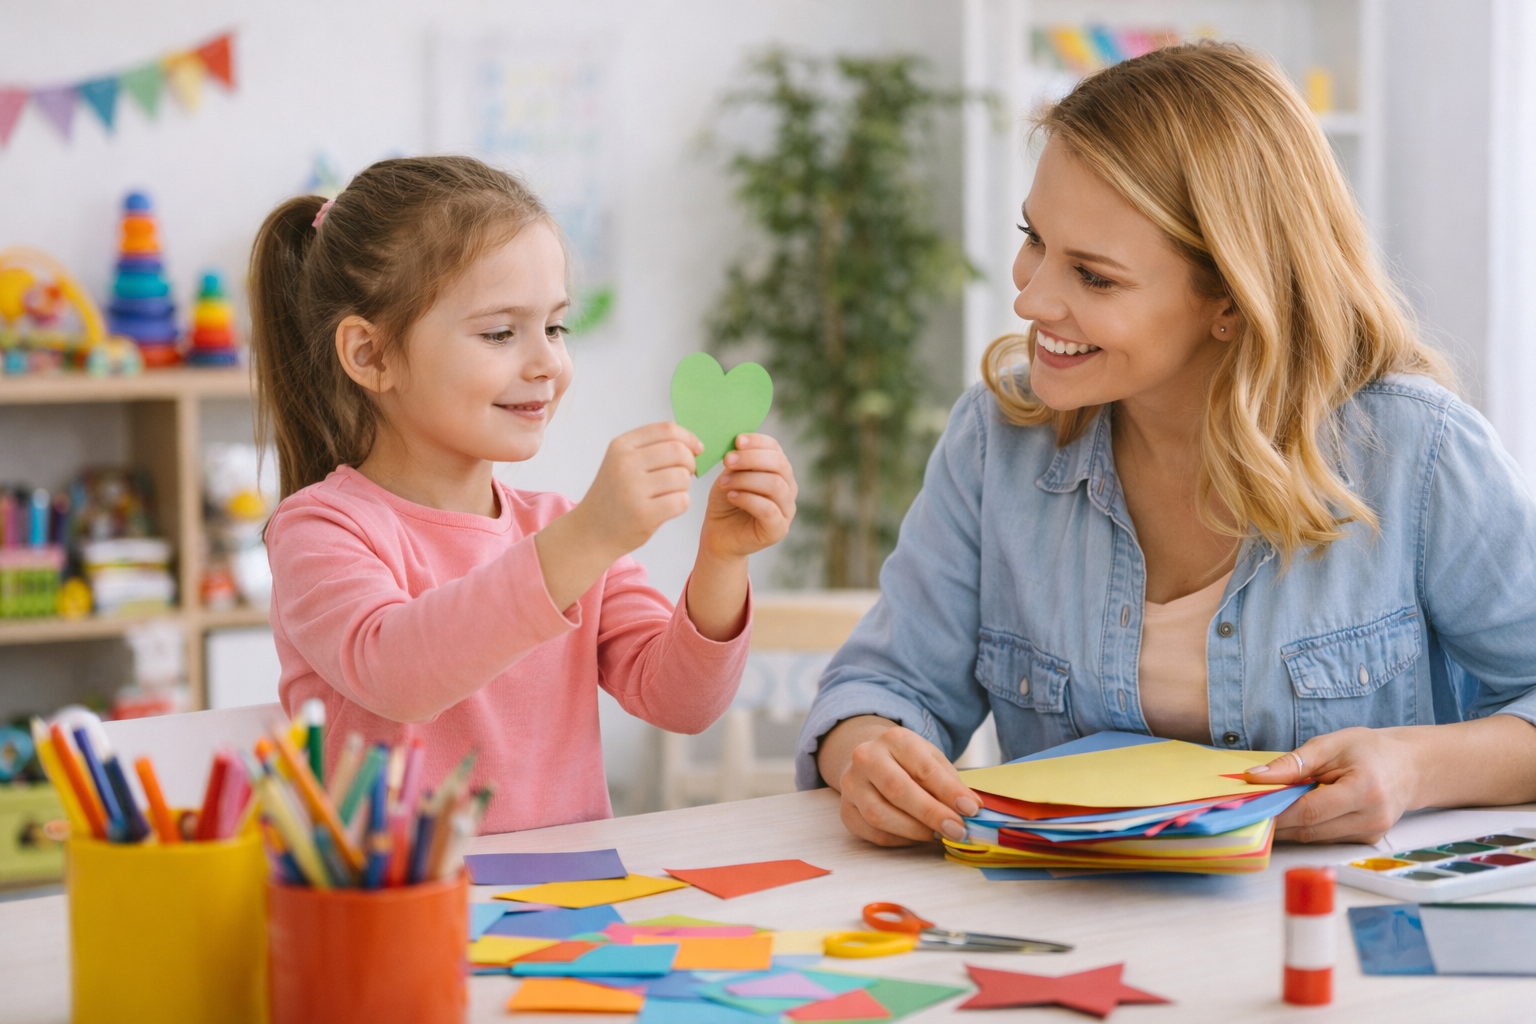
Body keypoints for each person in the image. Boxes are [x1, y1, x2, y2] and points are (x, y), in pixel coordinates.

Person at [797, 42, 1536, 849]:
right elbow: (881, 686)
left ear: (1230, 293)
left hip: (1339, 938)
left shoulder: (1417, 453)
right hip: (1068, 933)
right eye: (1034, 237)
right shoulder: (994, 445)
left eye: (1095, 277)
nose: (1030, 293)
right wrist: (867, 751)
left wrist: (1416, 767)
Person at [251, 156, 797, 834]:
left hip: (565, 914)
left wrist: (722, 559)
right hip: (397, 922)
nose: (547, 363)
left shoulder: (560, 528)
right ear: (370, 355)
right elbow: (400, 675)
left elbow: (680, 702)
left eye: (556, 327)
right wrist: (591, 537)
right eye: (501, 333)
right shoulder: (321, 529)